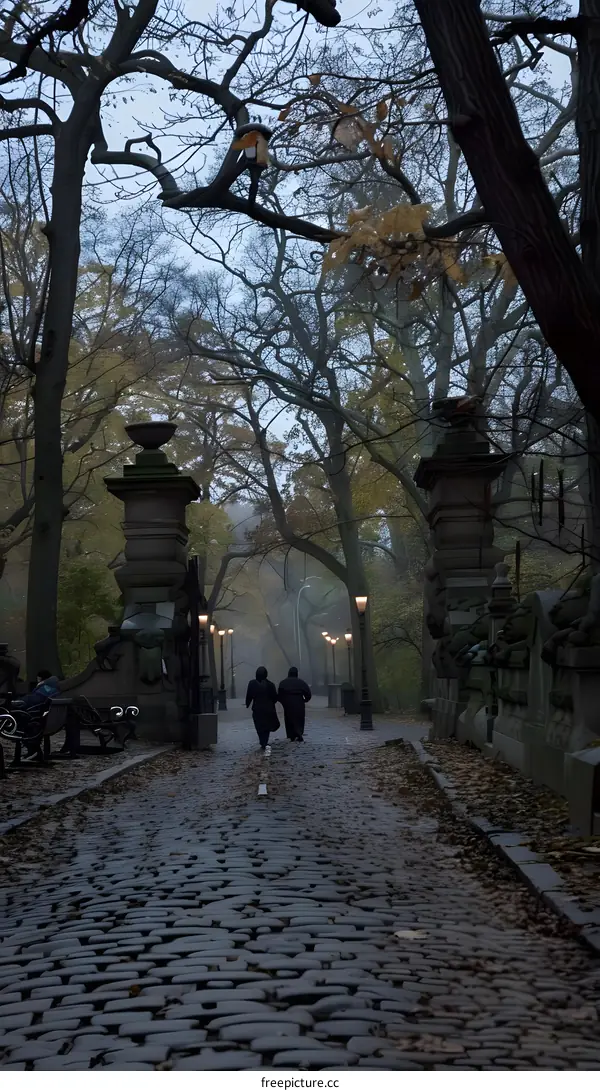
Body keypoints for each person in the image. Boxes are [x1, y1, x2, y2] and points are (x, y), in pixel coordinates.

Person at [245, 666, 280, 750]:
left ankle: (262, 741)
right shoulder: (270, 685)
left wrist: (247, 703)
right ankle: (264, 741)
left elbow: (249, 695)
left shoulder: (252, 683)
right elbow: (275, 698)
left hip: (257, 709)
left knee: (259, 726)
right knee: (266, 727)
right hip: (268, 709)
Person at [278, 666, 311, 742]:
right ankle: (299, 733)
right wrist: (305, 700)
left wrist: (283, 702)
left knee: (289, 719)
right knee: (299, 719)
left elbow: (279, 695)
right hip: (299, 703)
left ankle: (291, 735)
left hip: (288, 704)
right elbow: (308, 693)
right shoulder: (301, 683)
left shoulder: (283, 683)